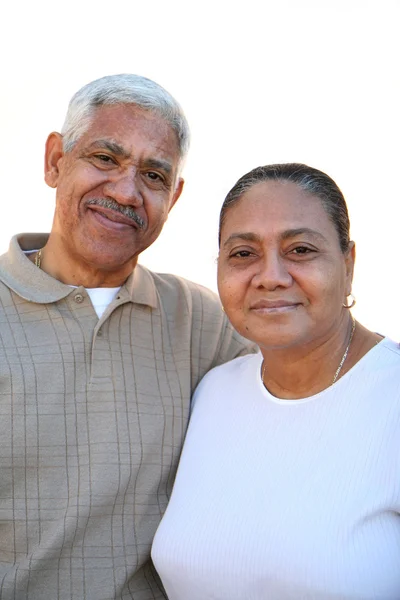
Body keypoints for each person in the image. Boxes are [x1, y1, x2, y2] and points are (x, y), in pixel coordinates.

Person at [0, 74, 253, 600]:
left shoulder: (201, 321)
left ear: (174, 197)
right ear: (55, 162)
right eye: (105, 158)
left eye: (154, 175)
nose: (125, 190)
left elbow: (319, 377)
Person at [152, 163, 400, 599]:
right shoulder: (213, 392)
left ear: (348, 262)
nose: (270, 277)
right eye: (243, 253)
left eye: (301, 249)